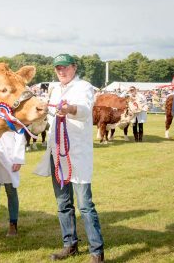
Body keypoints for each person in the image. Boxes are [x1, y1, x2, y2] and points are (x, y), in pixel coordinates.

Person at [38, 54, 104, 262]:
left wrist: (69, 109)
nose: (61, 71)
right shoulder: (55, 89)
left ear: (74, 67)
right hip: (57, 153)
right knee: (63, 203)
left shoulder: (84, 87)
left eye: (65, 67)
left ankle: (96, 252)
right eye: (58, 68)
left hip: (77, 153)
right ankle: (70, 245)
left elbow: (85, 110)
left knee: (85, 204)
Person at [0, 131, 26, 238]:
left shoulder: (13, 113)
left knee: (11, 190)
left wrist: (18, 158)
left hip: (9, 154)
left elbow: (20, 133)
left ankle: (13, 225)